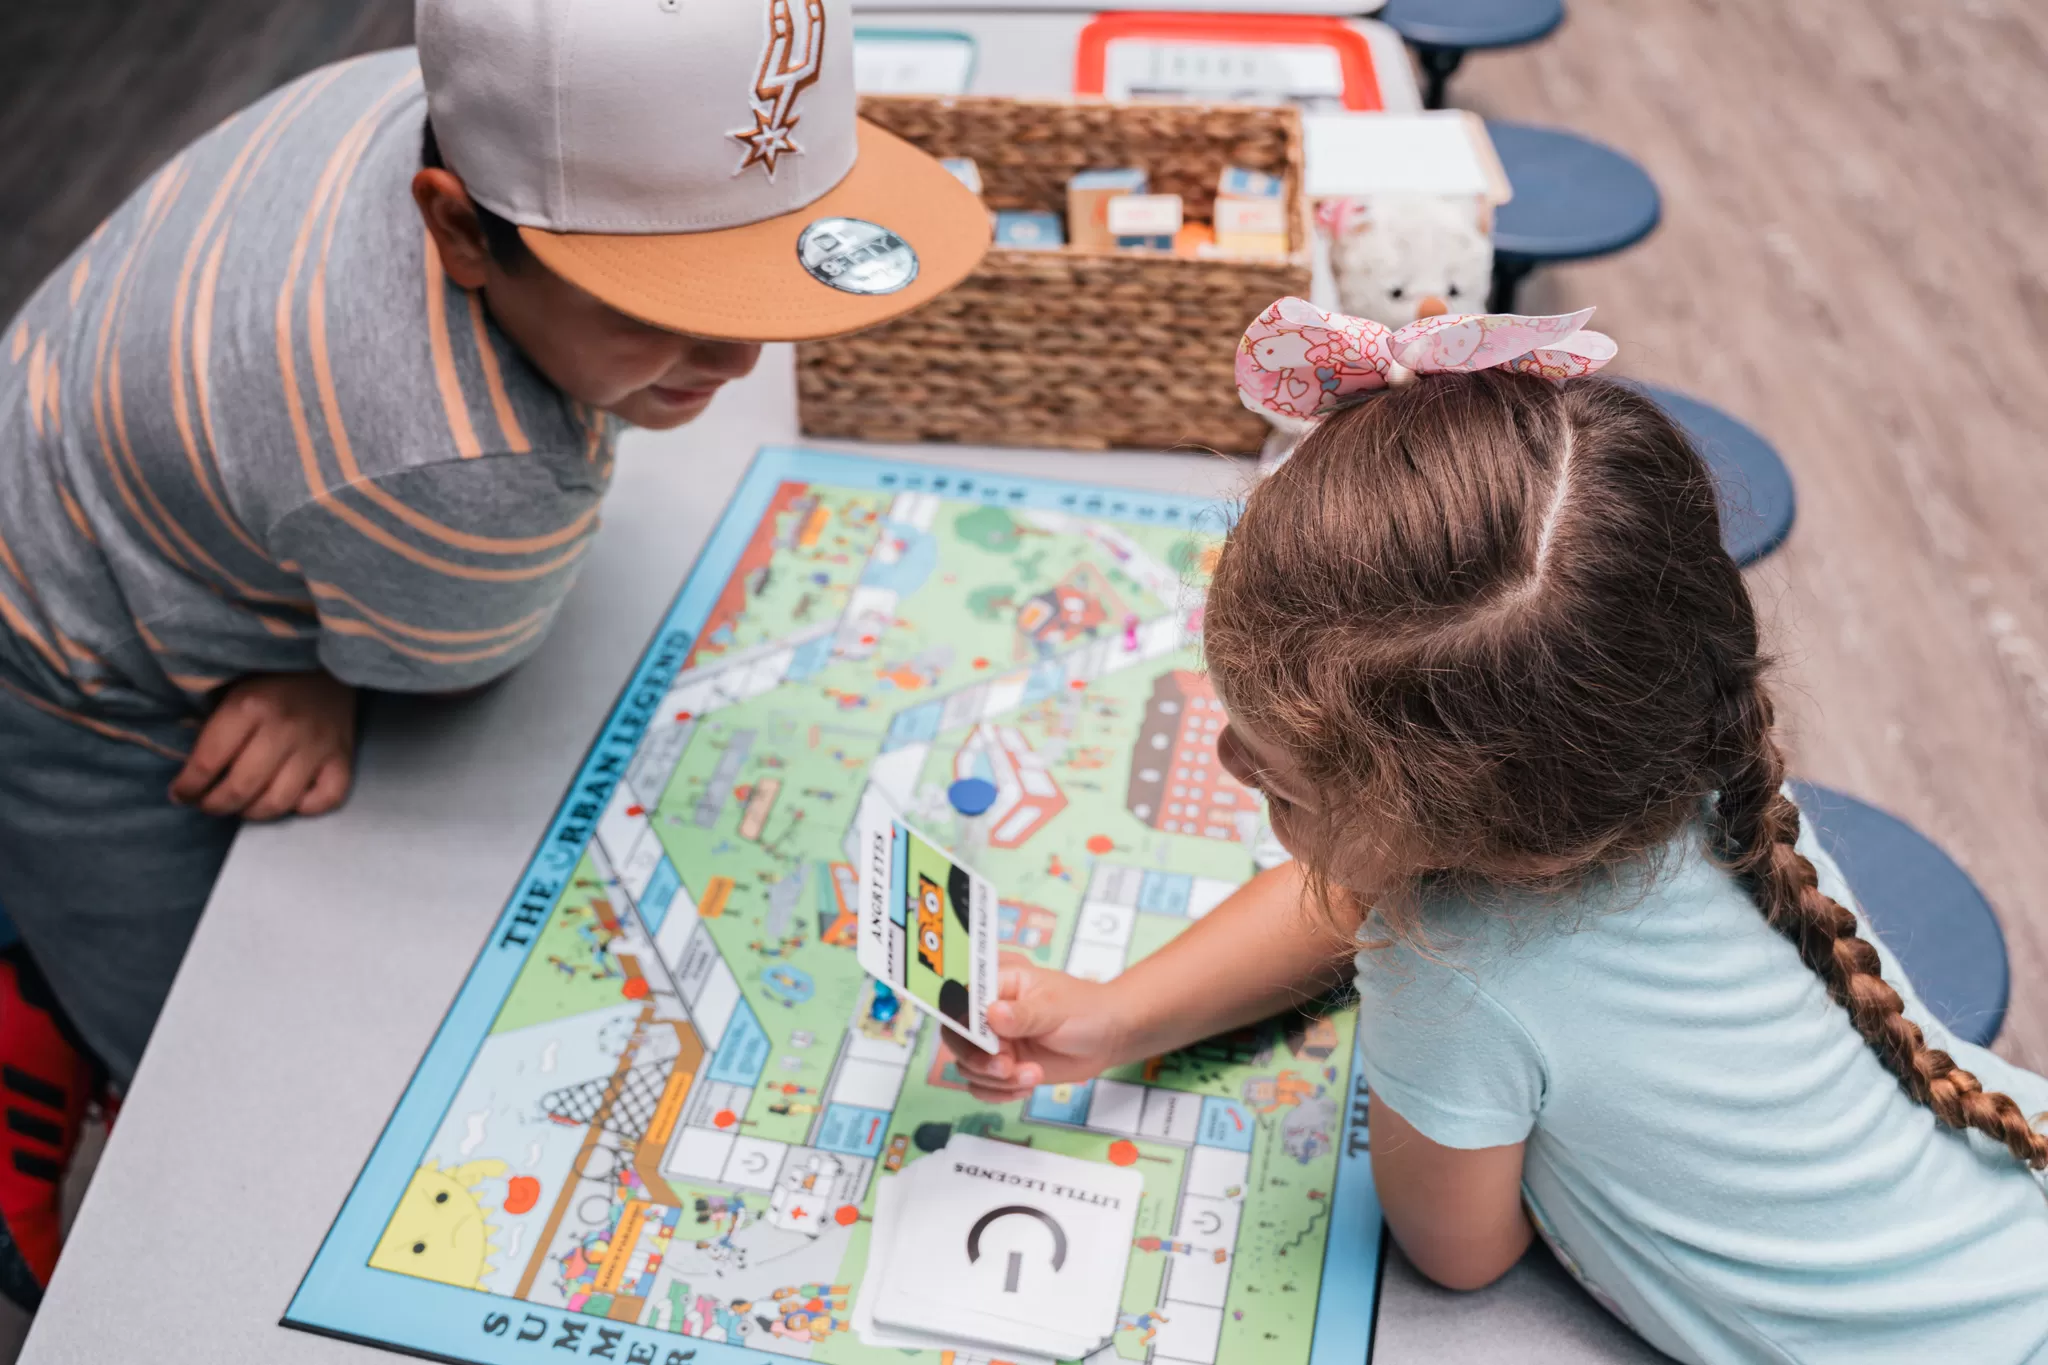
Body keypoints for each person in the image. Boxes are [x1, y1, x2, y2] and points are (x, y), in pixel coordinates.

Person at [0, 0, 988, 1306]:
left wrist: (324, 622)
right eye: (662, 302)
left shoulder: (462, 106)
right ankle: (53, 1032)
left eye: (765, 274)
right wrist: (339, 665)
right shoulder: (471, 474)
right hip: (62, 664)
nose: (743, 354)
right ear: (460, 227)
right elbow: (446, 662)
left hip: (87, 416)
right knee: (217, 1059)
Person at [949, 300, 2048, 1363]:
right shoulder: (1683, 767)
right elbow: (1368, 885)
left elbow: (1461, 1255)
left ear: (1468, 835)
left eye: (1274, 780)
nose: (1228, 767)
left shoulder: (1448, 979)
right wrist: (1117, 1014)